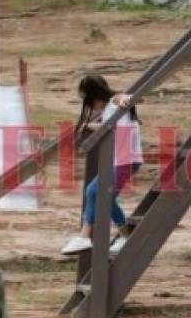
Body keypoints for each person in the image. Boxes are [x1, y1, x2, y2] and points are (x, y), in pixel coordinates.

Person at [61, 75, 143, 256]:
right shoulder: (109, 110)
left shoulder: (115, 102)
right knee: (100, 195)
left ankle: (85, 236)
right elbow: (109, 126)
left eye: (88, 101)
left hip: (125, 161)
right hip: (122, 160)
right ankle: (121, 236)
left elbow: (130, 99)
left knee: (95, 193)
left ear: (95, 97)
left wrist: (124, 98)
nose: (89, 106)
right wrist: (88, 126)